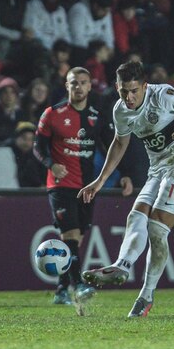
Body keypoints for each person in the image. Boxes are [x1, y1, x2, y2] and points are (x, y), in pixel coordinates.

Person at [79, 61, 174, 318]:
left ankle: (146, 295)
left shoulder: (163, 96)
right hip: (159, 170)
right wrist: (99, 181)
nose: (128, 98)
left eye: (133, 91)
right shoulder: (120, 110)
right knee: (136, 215)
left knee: (156, 228)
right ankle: (122, 265)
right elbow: (119, 144)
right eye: (123, 91)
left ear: (144, 86)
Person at [33, 67, 133, 311]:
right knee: (69, 235)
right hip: (59, 185)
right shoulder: (52, 114)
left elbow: (111, 145)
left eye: (83, 82)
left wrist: (124, 174)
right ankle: (78, 285)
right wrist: (51, 164)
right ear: (66, 86)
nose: (78, 86)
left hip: (86, 186)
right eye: (73, 83)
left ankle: (60, 290)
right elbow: (38, 147)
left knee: (76, 237)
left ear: (90, 86)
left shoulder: (96, 116)